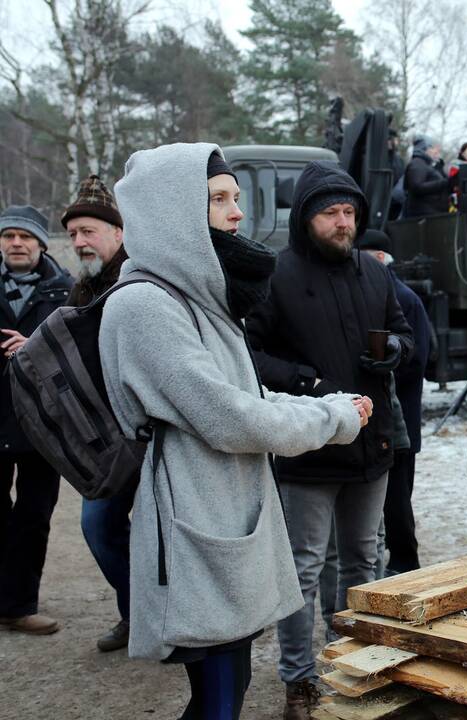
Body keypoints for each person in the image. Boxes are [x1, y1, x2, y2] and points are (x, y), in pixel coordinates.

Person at [99, 143, 369, 720]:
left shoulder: (201, 296)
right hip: (194, 520)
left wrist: (328, 404)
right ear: (173, 210)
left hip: (224, 513)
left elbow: (246, 395)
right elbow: (231, 418)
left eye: (235, 198)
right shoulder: (145, 304)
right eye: (218, 199)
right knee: (219, 698)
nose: (238, 213)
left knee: (230, 685)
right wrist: (332, 419)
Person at [244, 160, 413, 720]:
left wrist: (393, 352)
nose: (343, 223)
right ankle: (297, 678)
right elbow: (253, 353)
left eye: (349, 213)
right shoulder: (277, 274)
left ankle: (351, 660)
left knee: (364, 560)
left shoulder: (374, 270)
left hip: (372, 443)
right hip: (308, 445)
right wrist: (307, 383)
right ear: (306, 219)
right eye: (330, 213)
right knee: (303, 567)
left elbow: (405, 331)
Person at [61, 175, 134, 651]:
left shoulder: (136, 281)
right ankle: (136, 611)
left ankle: (165, 619)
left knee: (158, 533)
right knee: (99, 526)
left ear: (118, 232)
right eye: (72, 235)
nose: (80, 241)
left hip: (146, 434)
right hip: (104, 440)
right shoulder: (82, 287)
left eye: (89, 231)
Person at [0, 205, 73, 636]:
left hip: (42, 424)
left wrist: (35, 349)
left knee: (33, 516)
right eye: (8, 236)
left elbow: (78, 352)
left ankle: (19, 605)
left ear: (41, 244)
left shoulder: (64, 292)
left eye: (25, 237)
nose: (16, 244)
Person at [356, 228, 432, 573]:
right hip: (377, 415)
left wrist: (381, 369)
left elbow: (419, 356)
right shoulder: (366, 293)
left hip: (400, 415)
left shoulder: (405, 299)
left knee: (399, 497)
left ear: (384, 260)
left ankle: (404, 562)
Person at [402, 136, 449, 218]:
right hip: (422, 216)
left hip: (430, 214)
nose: (436, 151)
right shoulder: (418, 164)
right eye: (432, 147)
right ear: (424, 149)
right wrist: (444, 183)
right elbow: (417, 186)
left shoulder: (426, 164)